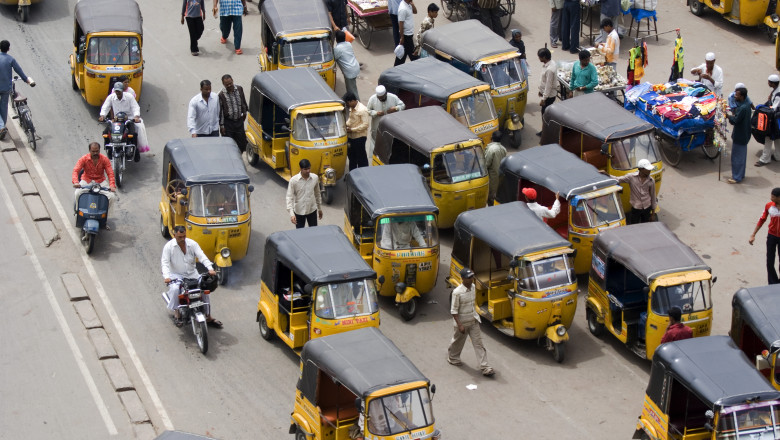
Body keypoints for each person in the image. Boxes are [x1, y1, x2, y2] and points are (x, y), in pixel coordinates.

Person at [161, 225, 222, 328]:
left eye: (184, 236)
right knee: (175, 289)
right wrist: (167, 277)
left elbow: (202, 256)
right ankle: (177, 314)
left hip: (193, 274)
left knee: (204, 289)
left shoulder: (192, 244)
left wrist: (210, 269)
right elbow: (165, 263)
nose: (182, 239)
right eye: (180, 237)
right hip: (177, 276)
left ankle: (208, 316)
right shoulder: (169, 247)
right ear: (174, 234)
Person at [447, 267, 495, 376]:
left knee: (479, 344)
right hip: (462, 323)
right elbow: (453, 311)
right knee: (457, 341)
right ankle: (453, 358)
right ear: (463, 278)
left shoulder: (473, 287)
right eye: (468, 277)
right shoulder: (457, 292)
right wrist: (460, 325)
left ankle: (485, 367)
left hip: (473, 321)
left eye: (472, 277)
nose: (471, 279)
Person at [72, 142, 117, 220]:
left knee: (112, 197)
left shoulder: (104, 159)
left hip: (100, 181)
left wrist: (112, 185)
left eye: (97, 151)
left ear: (99, 150)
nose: (95, 153)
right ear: (89, 151)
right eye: (93, 151)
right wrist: (76, 182)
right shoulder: (84, 159)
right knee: (77, 193)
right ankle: (77, 212)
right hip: (86, 180)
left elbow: (110, 173)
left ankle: (105, 217)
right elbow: (76, 170)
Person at [0, 40, 34, 141]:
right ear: (8, 49)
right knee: (4, 107)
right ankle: (2, 127)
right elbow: (19, 70)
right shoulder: (11, 59)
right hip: (6, 88)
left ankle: (1, 127)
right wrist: (26, 80)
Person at [99, 82, 143, 160]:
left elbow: (135, 107)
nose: (118, 92)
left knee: (133, 134)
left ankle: (136, 151)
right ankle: (109, 149)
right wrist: (102, 116)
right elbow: (105, 107)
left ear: (123, 90)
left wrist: (136, 116)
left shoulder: (129, 97)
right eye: (116, 91)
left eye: (119, 91)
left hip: (128, 120)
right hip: (116, 120)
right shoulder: (111, 97)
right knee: (105, 133)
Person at [749, 187, 780, 284]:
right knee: (770, 261)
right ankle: (772, 282)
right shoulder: (769, 206)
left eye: (773, 196)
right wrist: (753, 234)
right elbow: (762, 219)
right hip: (772, 236)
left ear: (779, 197)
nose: (771, 198)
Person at [613, 158, 656, 224]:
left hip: (647, 207)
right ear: (641, 169)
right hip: (636, 208)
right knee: (634, 225)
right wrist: (606, 175)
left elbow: (653, 197)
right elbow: (618, 179)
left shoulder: (651, 180)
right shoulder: (631, 177)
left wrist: (652, 214)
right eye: (647, 169)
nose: (650, 171)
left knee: (646, 226)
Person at [286, 159, 323, 228]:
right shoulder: (294, 181)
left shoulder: (315, 178)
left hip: (312, 210)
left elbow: (317, 194)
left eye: (309, 168)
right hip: (299, 212)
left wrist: (319, 209)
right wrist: (292, 214)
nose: (308, 171)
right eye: (305, 169)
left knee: (314, 232)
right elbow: (289, 197)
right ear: (301, 169)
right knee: (300, 234)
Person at [218, 74, 248, 152]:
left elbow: (243, 102)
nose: (229, 85)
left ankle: (240, 157)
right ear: (223, 84)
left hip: (239, 121)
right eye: (227, 84)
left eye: (230, 83)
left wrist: (244, 113)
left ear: (232, 80)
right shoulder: (221, 95)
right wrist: (222, 126)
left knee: (242, 143)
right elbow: (220, 111)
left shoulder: (239, 89)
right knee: (229, 144)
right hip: (228, 124)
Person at [727, 87, 751, 184]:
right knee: (742, 156)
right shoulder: (746, 105)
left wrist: (728, 116)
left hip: (740, 135)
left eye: (737, 95)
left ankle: (736, 177)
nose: (735, 96)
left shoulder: (743, 108)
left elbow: (735, 121)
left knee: (737, 157)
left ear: (741, 96)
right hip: (745, 134)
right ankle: (741, 174)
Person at [757, 74, 780, 167]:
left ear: (773, 83)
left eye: (769, 82)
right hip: (777, 119)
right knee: (778, 138)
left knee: (768, 138)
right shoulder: (775, 91)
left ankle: (765, 159)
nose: (768, 83)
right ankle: (778, 156)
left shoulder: (778, 94)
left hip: (774, 119)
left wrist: (765, 106)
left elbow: (773, 109)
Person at [344, 92, 369, 170]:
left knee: (361, 158)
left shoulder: (362, 110)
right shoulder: (352, 108)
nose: (347, 105)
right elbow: (351, 120)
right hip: (351, 137)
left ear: (352, 101)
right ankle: (352, 173)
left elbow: (365, 125)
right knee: (352, 157)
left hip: (359, 137)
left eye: (347, 103)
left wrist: (352, 130)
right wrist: (345, 125)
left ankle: (364, 173)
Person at [334, 30, 361, 100]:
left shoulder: (337, 49)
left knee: (352, 91)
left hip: (349, 72)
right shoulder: (348, 44)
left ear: (336, 39)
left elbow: (333, 58)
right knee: (353, 87)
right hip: (355, 67)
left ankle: (357, 105)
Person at [484, 131, 506, 206]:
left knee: (490, 195)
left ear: (492, 138)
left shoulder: (491, 149)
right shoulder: (503, 149)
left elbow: (486, 164)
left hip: (492, 176)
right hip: (500, 175)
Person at [537, 47, 556, 136]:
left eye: (540, 57)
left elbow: (549, 85)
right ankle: (545, 130)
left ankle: (546, 132)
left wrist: (543, 99)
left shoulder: (550, 69)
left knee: (545, 114)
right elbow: (544, 81)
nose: (539, 58)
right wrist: (541, 90)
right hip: (546, 93)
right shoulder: (548, 64)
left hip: (549, 96)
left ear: (544, 57)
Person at [394, 0, 418, 66]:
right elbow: (401, 23)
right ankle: (419, 66)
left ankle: (396, 68)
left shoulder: (409, 4)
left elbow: (415, 12)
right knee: (413, 55)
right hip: (406, 35)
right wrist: (402, 37)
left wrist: (413, 5)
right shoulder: (403, 9)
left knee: (402, 56)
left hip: (409, 34)